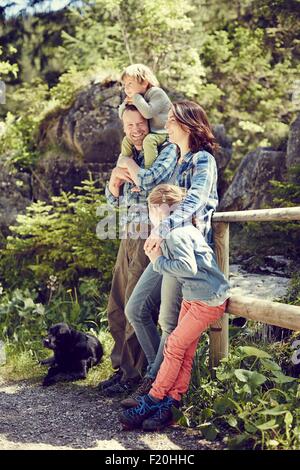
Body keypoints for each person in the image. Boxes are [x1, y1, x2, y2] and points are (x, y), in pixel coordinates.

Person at [121, 100, 221, 408]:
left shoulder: (202, 160)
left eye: (174, 120)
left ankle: (156, 386)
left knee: (167, 320)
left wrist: (161, 230)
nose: (168, 124)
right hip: (164, 248)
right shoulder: (177, 161)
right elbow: (158, 198)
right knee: (135, 309)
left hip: (184, 250)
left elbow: (195, 201)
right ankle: (155, 373)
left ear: (189, 125)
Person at [119, 183, 230, 431]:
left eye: (150, 209)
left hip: (207, 300)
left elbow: (187, 268)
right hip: (194, 297)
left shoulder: (176, 233)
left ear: (158, 209)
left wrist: (157, 261)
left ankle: (152, 399)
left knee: (174, 345)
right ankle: (171, 404)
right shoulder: (180, 229)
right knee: (184, 352)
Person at [98, 104, 178, 397]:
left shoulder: (167, 150)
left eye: (140, 123)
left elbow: (153, 185)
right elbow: (113, 200)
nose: (135, 130)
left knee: (136, 304)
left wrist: (126, 172)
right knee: (116, 304)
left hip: (149, 234)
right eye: (129, 125)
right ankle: (121, 368)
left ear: (150, 121)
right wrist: (113, 180)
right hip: (128, 233)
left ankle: (136, 375)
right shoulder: (132, 154)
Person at [118, 63, 171, 170]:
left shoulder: (157, 93)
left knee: (148, 141)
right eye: (124, 85)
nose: (126, 88)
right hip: (152, 132)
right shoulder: (139, 98)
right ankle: (123, 166)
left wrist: (136, 98)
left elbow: (148, 113)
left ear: (144, 83)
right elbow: (122, 115)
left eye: (130, 84)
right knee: (126, 140)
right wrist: (125, 104)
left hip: (164, 131)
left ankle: (148, 170)